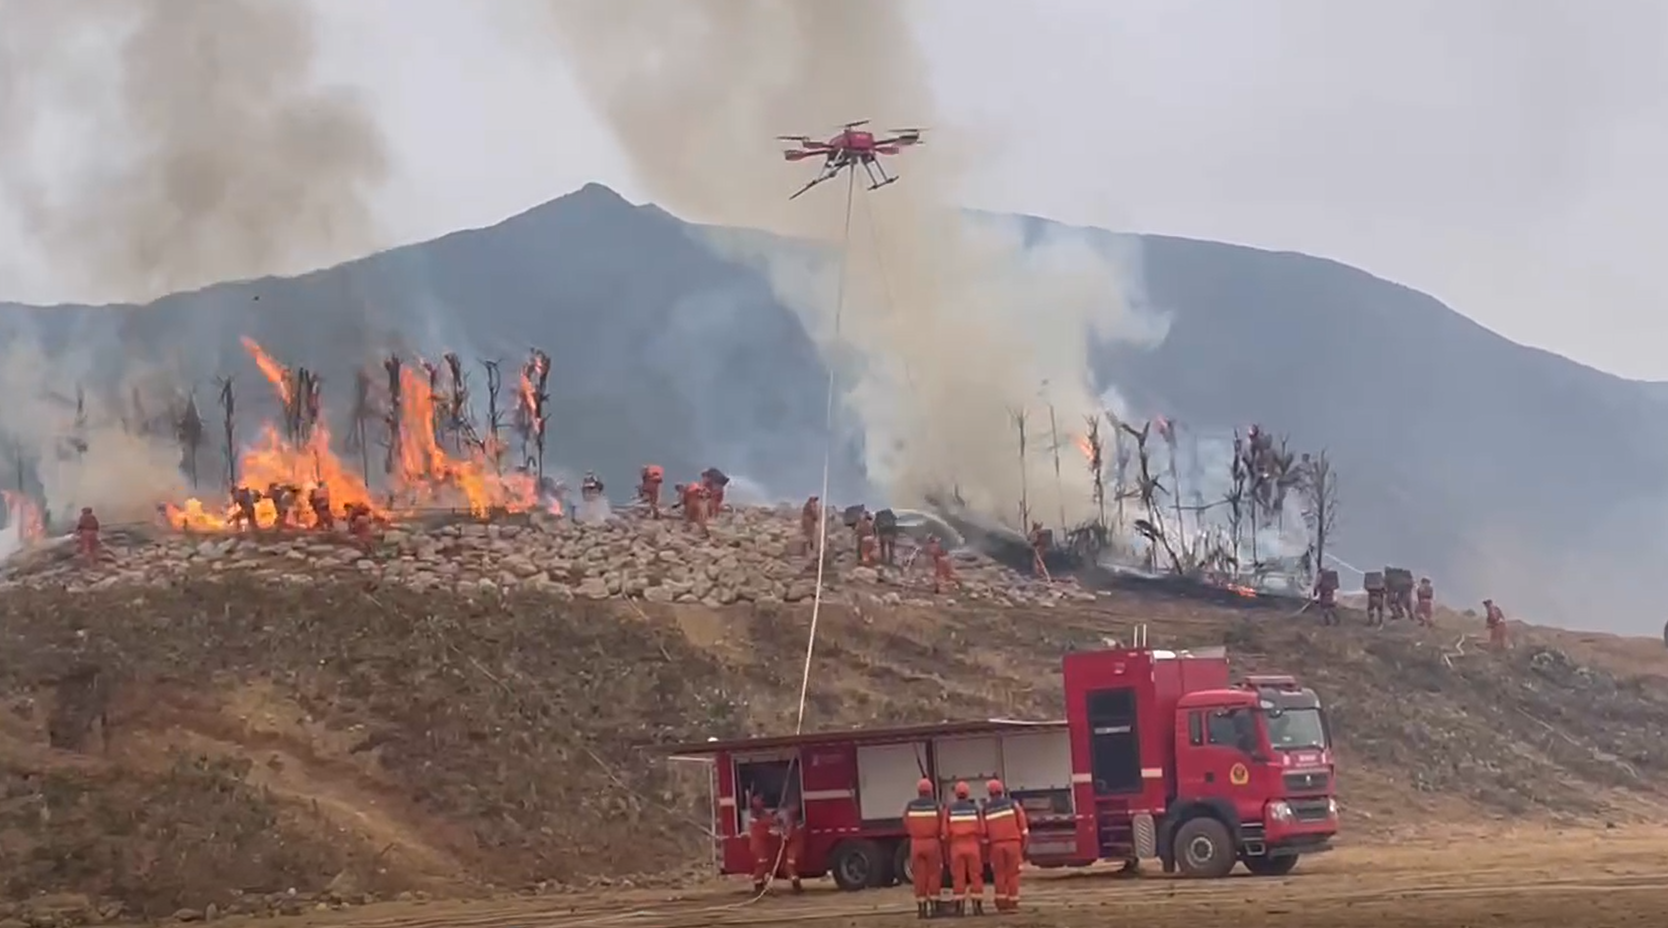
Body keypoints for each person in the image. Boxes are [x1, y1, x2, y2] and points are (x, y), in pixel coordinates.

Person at [983, 779, 1029, 912]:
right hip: (1013, 844)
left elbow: (984, 834)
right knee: (1013, 874)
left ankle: (1001, 903)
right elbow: (1024, 828)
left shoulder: (986, 809)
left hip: (996, 846)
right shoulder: (1013, 805)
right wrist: (1023, 847)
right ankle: (1013, 902)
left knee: (999, 874)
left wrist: (986, 854)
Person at [941, 781, 986, 916]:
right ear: (967, 794)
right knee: (976, 876)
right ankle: (977, 908)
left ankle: (959, 909)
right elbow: (982, 829)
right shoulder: (975, 809)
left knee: (958, 877)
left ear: (956, 794)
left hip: (956, 846)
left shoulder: (949, 810)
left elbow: (945, 832)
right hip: (973, 846)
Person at [903, 778, 944, 919]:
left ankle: (921, 909)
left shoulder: (910, 806)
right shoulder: (936, 806)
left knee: (919, 876)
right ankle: (935, 907)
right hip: (932, 843)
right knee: (934, 875)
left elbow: (906, 823)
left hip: (916, 843)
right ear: (930, 791)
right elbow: (942, 824)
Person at [746, 794, 778, 895]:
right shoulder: (754, 817)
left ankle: (762, 885)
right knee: (761, 865)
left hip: (763, 846)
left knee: (765, 865)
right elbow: (760, 831)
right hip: (758, 846)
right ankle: (758, 887)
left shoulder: (764, 815)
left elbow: (770, 821)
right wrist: (771, 832)